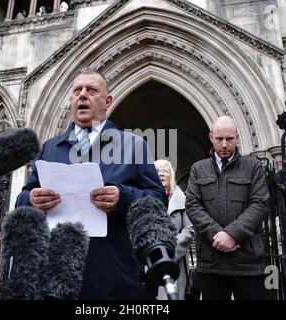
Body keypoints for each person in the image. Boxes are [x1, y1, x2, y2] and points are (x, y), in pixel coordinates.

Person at [15, 68, 167, 299]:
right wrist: (32, 200)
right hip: (57, 280)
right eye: (77, 90)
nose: (82, 95)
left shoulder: (133, 145)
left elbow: (158, 201)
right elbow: (21, 200)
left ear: (107, 101)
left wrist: (123, 198)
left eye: (91, 90)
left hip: (114, 278)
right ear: (71, 100)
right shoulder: (49, 148)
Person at [185, 116, 269, 300]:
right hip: (211, 262)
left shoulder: (253, 167)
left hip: (248, 263)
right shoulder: (198, 169)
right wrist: (217, 234)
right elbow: (192, 205)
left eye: (229, 139)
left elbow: (260, 204)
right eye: (219, 139)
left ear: (237, 137)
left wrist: (233, 234)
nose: (224, 145)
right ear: (210, 137)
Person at [154, 159, 195, 300]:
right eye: (157, 171)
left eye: (165, 171)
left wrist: (171, 248)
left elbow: (190, 229)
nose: (161, 174)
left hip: (174, 261)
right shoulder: (144, 197)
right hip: (151, 260)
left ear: (171, 175)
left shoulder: (182, 199)